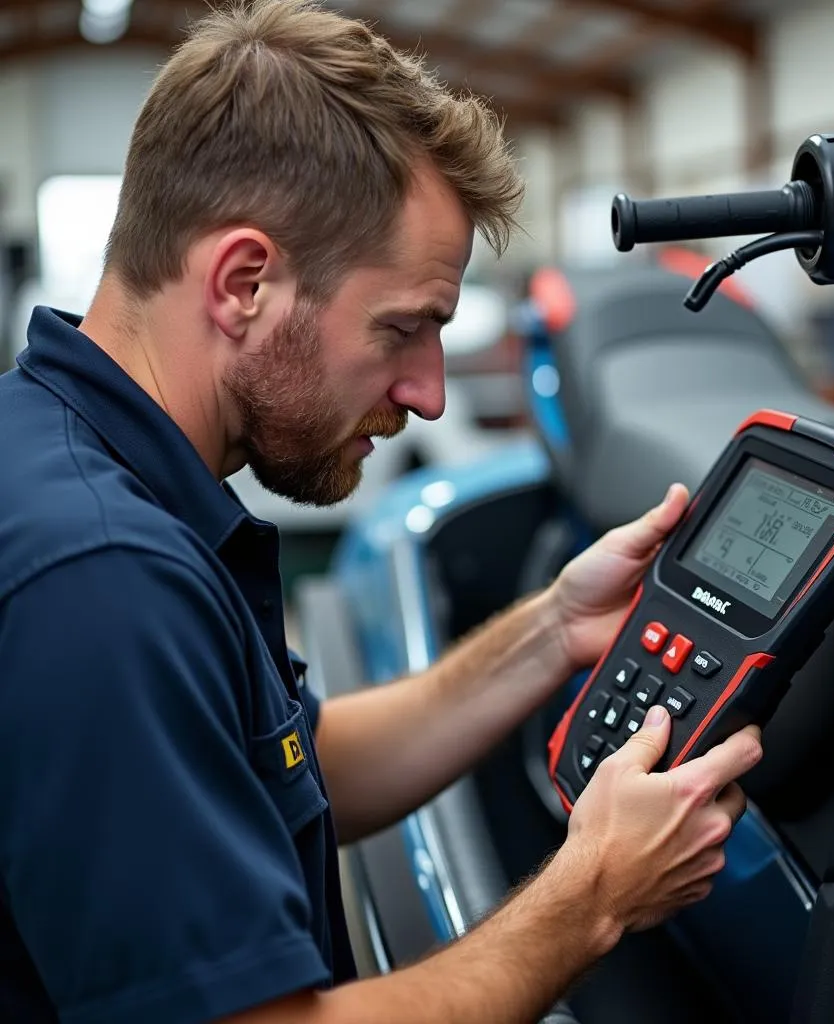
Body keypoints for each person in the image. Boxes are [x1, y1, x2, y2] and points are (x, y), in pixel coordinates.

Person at [0, 2, 762, 1022]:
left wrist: (551, 631)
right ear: (244, 283)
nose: (430, 393)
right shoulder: (102, 577)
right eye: (404, 328)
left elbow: (292, 758)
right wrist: (594, 892)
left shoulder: (66, 456)